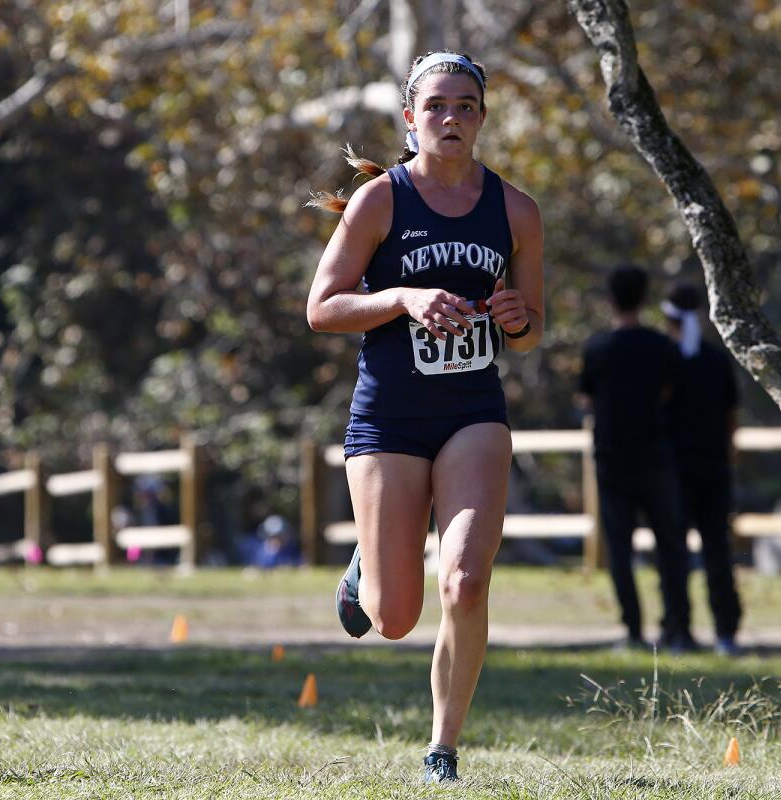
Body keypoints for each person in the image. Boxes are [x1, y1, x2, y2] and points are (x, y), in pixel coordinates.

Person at [306, 50, 543, 783]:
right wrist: (404, 297)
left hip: (474, 410)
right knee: (396, 617)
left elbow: (532, 322)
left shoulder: (515, 210)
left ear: (481, 119)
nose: (451, 118)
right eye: (436, 106)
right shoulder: (383, 201)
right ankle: (367, 568)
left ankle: (443, 748)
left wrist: (515, 315)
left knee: (467, 580)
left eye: (465, 106)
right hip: (390, 418)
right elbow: (322, 308)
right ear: (412, 120)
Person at [578, 266, 694, 653]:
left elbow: (586, 398)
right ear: (644, 300)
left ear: (610, 300)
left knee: (620, 549)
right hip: (657, 456)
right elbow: (673, 394)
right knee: (671, 545)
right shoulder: (662, 346)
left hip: (612, 460)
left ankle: (633, 631)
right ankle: (677, 627)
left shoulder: (598, 348)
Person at [661, 283, 743, 656]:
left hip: (673, 470)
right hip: (714, 468)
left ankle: (678, 630)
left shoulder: (663, 360)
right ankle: (726, 631)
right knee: (717, 552)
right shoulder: (715, 359)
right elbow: (730, 416)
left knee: (674, 553)